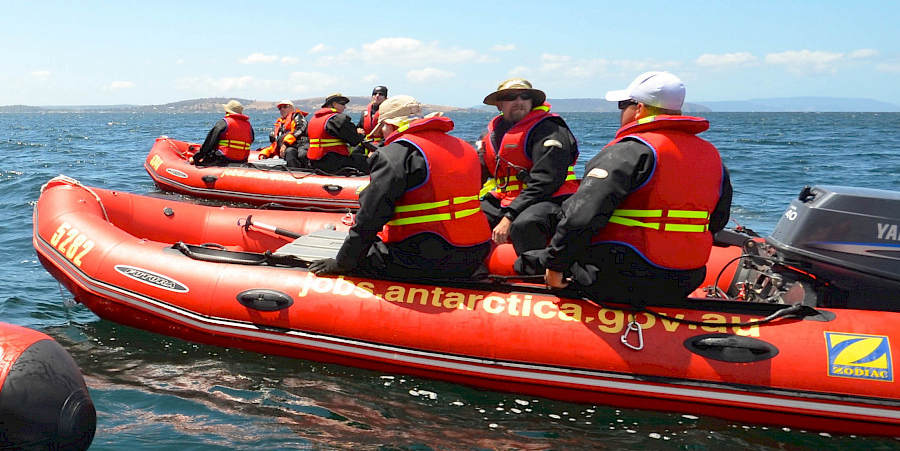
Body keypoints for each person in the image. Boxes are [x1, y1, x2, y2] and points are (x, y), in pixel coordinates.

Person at [518, 71, 733, 307]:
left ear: (639, 109)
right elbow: (718, 220)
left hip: (622, 277)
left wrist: (555, 265)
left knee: (526, 262)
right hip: (687, 278)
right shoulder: (711, 156)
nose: (621, 112)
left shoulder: (630, 150)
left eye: (623, 105)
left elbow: (580, 218)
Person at [309, 96, 491, 282]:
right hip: (475, 253)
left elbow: (370, 217)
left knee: (362, 259)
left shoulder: (395, 154)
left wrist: (343, 263)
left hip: (425, 258)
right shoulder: (464, 147)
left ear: (389, 125)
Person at [476, 78, 579, 255]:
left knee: (526, 224)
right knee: (471, 219)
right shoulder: (490, 136)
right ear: (499, 104)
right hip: (506, 198)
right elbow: (478, 174)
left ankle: (534, 275)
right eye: (510, 97)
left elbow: (546, 181)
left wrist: (509, 216)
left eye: (524, 96)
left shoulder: (550, 129)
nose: (519, 101)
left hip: (550, 198)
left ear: (532, 102)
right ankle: (473, 273)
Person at [305, 94, 367, 176]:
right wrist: (359, 134)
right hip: (333, 161)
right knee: (364, 160)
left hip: (314, 161)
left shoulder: (313, 119)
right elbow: (354, 140)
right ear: (334, 104)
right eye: (343, 104)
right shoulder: (338, 119)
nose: (345, 107)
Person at [191, 101, 253, 166]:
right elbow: (251, 140)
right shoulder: (248, 126)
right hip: (242, 160)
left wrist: (195, 158)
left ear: (227, 111)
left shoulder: (223, 123)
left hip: (223, 159)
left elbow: (209, 144)